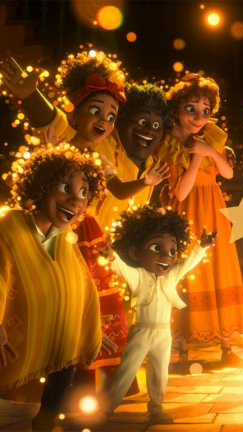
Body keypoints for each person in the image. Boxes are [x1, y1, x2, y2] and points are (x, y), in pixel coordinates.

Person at [0, 53, 170, 391]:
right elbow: (45, 117)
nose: (104, 120)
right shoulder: (59, 139)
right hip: (49, 230)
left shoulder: (101, 158)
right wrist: (30, 96)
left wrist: (145, 182)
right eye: (96, 111)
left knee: (89, 298)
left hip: (84, 236)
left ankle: (89, 377)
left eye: (111, 116)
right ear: (75, 114)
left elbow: (118, 189)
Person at [0, 145, 107, 432]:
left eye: (84, 193)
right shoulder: (8, 226)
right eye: (65, 188)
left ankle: (45, 422)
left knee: (66, 351)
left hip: (57, 330)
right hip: (12, 332)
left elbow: (80, 282)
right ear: (41, 186)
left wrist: (89, 324)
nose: (75, 200)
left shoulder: (65, 235)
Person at [84, 205, 216, 425]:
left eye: (172, 251)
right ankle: (106, 409)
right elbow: (121, 268)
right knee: (127, 370)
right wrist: (112, 257)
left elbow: (188, 264)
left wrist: (201, 247)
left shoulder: (172, 275)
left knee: (160, 372)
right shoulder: (137, 275)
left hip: (163, 333)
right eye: (156, 247)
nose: (166, 256)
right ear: (135, 253)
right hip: (141, 331)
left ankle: (156, 409)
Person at [156, 74, 243, 369]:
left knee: (220, 269)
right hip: (185, 215)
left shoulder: (211, 137)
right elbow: (181, 192)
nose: (199, 118)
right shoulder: (169, 144)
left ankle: (226, 346)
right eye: (191, 109)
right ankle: (182, 350)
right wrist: (196, 157)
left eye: (205, 110)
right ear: (177, 109)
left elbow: (228, 173)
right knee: (187, 272)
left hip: (213, 210)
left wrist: (208, 151)